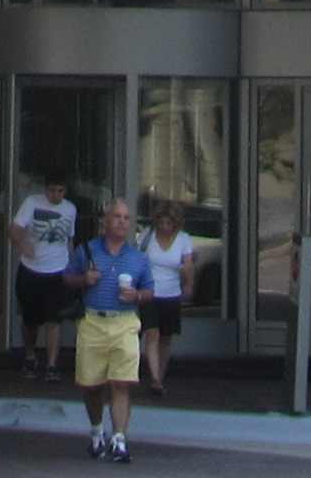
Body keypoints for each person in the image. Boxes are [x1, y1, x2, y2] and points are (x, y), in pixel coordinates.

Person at [71, 194, 150, 462]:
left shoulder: (138, 258)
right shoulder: (88, 250)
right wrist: (84, 279)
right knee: (91, 385)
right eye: (116, 216)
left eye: (126, 218)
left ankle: (119, 439)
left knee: (121, 382)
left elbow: (150, 290)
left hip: (125, 322)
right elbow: (66, 279)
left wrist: (137, 295)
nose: (122, 222)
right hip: (93, 321)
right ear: (105, 221)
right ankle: (97, 430)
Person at [10, 172, 79, 378]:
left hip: (57, 269)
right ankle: (30, 355)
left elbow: (69, 239)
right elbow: (14, 228)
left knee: (55, 319)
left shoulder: (70, 209)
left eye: (60, 191)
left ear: (65, 191)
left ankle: (52, 364)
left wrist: (72, 265)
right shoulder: (32, 203)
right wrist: (23, 242)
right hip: (31, 269)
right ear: (45, 189)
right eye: (52, 190)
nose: (55, 195)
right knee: (30, 319)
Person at [137, 197, 197, 393]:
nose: (164, 227)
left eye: (168, 223)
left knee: (166, 337)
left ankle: (160, 376)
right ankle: (154, 378)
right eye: (161, 222)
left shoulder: (183, 239)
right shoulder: (147, 236)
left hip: (171, 294)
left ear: (175, 224)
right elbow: (138, 259)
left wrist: (189, 283)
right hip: (150, 292)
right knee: (151, 333)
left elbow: (188, 264)